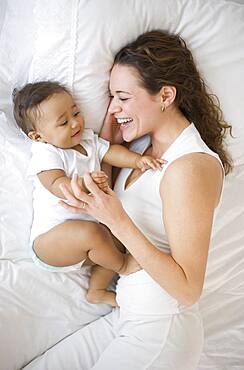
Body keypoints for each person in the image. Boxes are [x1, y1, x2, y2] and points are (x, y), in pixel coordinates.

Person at [24, 30, 232, 370]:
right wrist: (106, 139)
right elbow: (103, 187)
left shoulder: (189, 166)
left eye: (122, 97)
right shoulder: (144, 151)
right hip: (128, 314)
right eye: (111, 97)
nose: (113, 108)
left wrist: (116, 221)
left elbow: (188, 290)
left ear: (165, 95)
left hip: (160, 327)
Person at [12, 81, 164, 306]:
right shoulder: (46, 153)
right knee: (92, 233)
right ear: (38, 137)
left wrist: (137, 161)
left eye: (76, 113)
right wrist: (85, 183)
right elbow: (56, 184)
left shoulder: (88, 139)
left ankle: (97, 290)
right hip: (51, 243)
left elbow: (112, 152)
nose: (75, 123)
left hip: (90, 242)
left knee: (117, 237)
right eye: (63, 122)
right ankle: (122, 266)